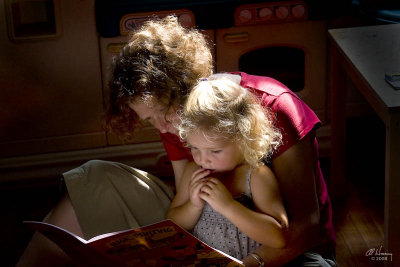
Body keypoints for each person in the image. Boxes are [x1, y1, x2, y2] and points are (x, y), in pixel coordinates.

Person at [17, 15, 336, 267]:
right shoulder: (174, 121)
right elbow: (182, 208)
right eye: (149, 119)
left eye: (163, 114)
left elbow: (303, 230)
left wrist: (248, 263)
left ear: (186, 86)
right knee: (94, 178)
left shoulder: (273, 106)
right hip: (213, 235)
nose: (162, 127)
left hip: (284, 251)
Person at [167, 77, 288, 262]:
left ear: (243, 139)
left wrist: (228, 206)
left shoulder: (256, 176)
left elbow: (278, 237)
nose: (202, 159)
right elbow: (173, 224)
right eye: (194, 148)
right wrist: (193, 205)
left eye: (215, 151)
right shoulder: (193, 172)